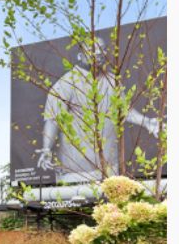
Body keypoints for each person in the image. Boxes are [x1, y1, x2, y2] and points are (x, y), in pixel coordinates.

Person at [34, 36, 160, 183]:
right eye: (93, 50)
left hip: (110, 168)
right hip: (75, 171)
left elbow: (125, 111)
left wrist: (146, 122)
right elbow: (53, 120)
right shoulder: (65, 84)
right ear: (80, 56)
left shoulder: (112, 81)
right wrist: (47, 149)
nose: (99, 54)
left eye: (102, 49)